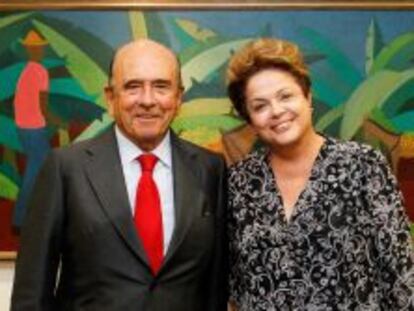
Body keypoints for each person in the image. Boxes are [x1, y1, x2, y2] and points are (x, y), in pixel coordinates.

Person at [11, 39, 228, 311]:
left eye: (161, 86)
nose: (148, 100)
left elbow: (215, 288)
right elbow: (31, 292)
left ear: (178, 97)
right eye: (133, 87)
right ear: (111, 97)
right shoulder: (65, 167)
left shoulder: (210, 169)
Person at [226, 38, 414, 310]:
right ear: (251, 121)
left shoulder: (364, 166)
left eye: (285, 96)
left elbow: (401, 275)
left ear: (308, 97)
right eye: (260, 106)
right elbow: (235, 285)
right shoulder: (239, 182)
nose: (277, 111)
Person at [13, 30, 51, 229]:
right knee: (38, 171)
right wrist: (58, 121)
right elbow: (43, 105)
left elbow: (18, 101)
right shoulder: (40, 71)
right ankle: (20, 220)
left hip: (23, 128)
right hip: (34, 128)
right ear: (33, 50)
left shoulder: (26, 71)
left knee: (36, 171)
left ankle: (25, 218)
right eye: (38, 48)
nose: (40, 51)